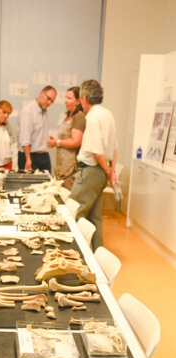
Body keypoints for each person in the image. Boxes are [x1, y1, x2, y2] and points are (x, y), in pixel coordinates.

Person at [70, 79, 118, 251]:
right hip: (100, 173)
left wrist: (107, 171)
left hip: (91, 171)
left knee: (74, 213)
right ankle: (96, 255)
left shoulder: (91, 118)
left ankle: (77, 256)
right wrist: (111, 172)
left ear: (83, 98)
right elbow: (114, 147)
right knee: (94, 217)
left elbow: (98, 152)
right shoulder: (107, 114)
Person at [47, 86, 85, 190]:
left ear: (78, 101)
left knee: (68, 201)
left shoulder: (79, 116)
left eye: (69, 98)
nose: (65, 101)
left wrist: (57, 142)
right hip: (62, 170)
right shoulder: (69, 116)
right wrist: (55, 141)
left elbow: (76, 141)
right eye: (65, 97)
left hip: (70, 170)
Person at [17, 85, 57, 172]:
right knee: (30, 185)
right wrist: (28, 159)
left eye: (52, 101)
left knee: (47, 184)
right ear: (42, 93)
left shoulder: (43, 110)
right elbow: (25, 138)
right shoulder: (27, 111)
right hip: (29, 156)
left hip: (44, 156)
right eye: (48, 98)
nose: (49, 103)